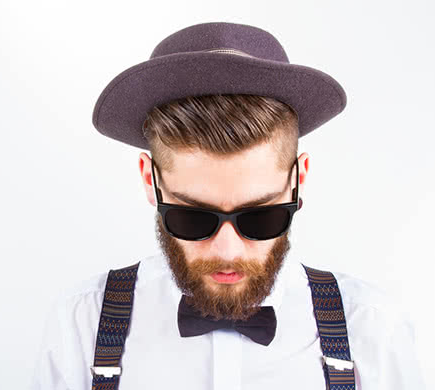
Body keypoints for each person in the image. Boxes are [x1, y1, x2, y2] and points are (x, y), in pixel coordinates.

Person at [30, 22, 426, 390]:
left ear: (298, 179)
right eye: (192, 217)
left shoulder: (373, 329)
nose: (227, 251)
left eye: (260, 216)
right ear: (151, 181)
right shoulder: (82, 326)